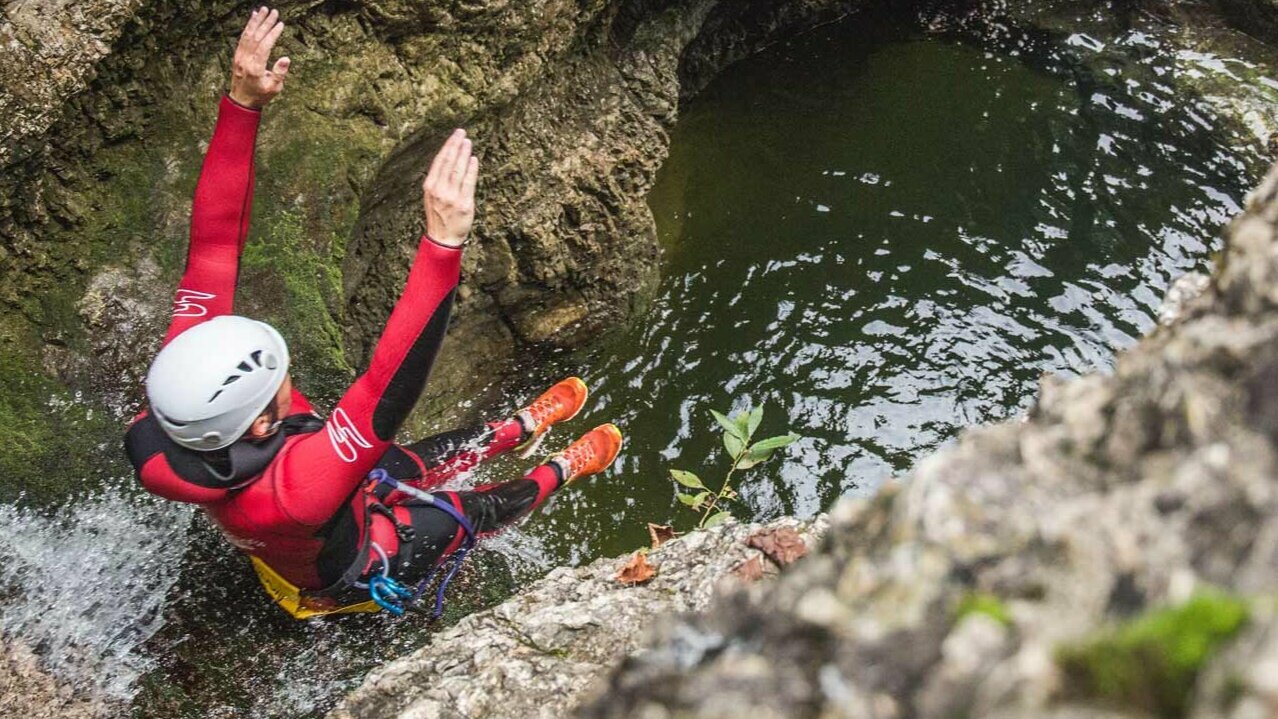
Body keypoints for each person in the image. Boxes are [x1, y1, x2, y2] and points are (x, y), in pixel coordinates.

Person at [124, 7, 622, 618]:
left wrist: (242, 103)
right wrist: (442, 243)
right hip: (351, 564)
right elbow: (388, 385)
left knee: (426, 455)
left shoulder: (186, 387)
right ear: (259, 425)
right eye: (277, 377)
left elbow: (213, 245)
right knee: (465, 512)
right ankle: (558, 472)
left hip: (306, 516)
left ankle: (514, 430)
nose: (288, 372)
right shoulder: (297, 488)